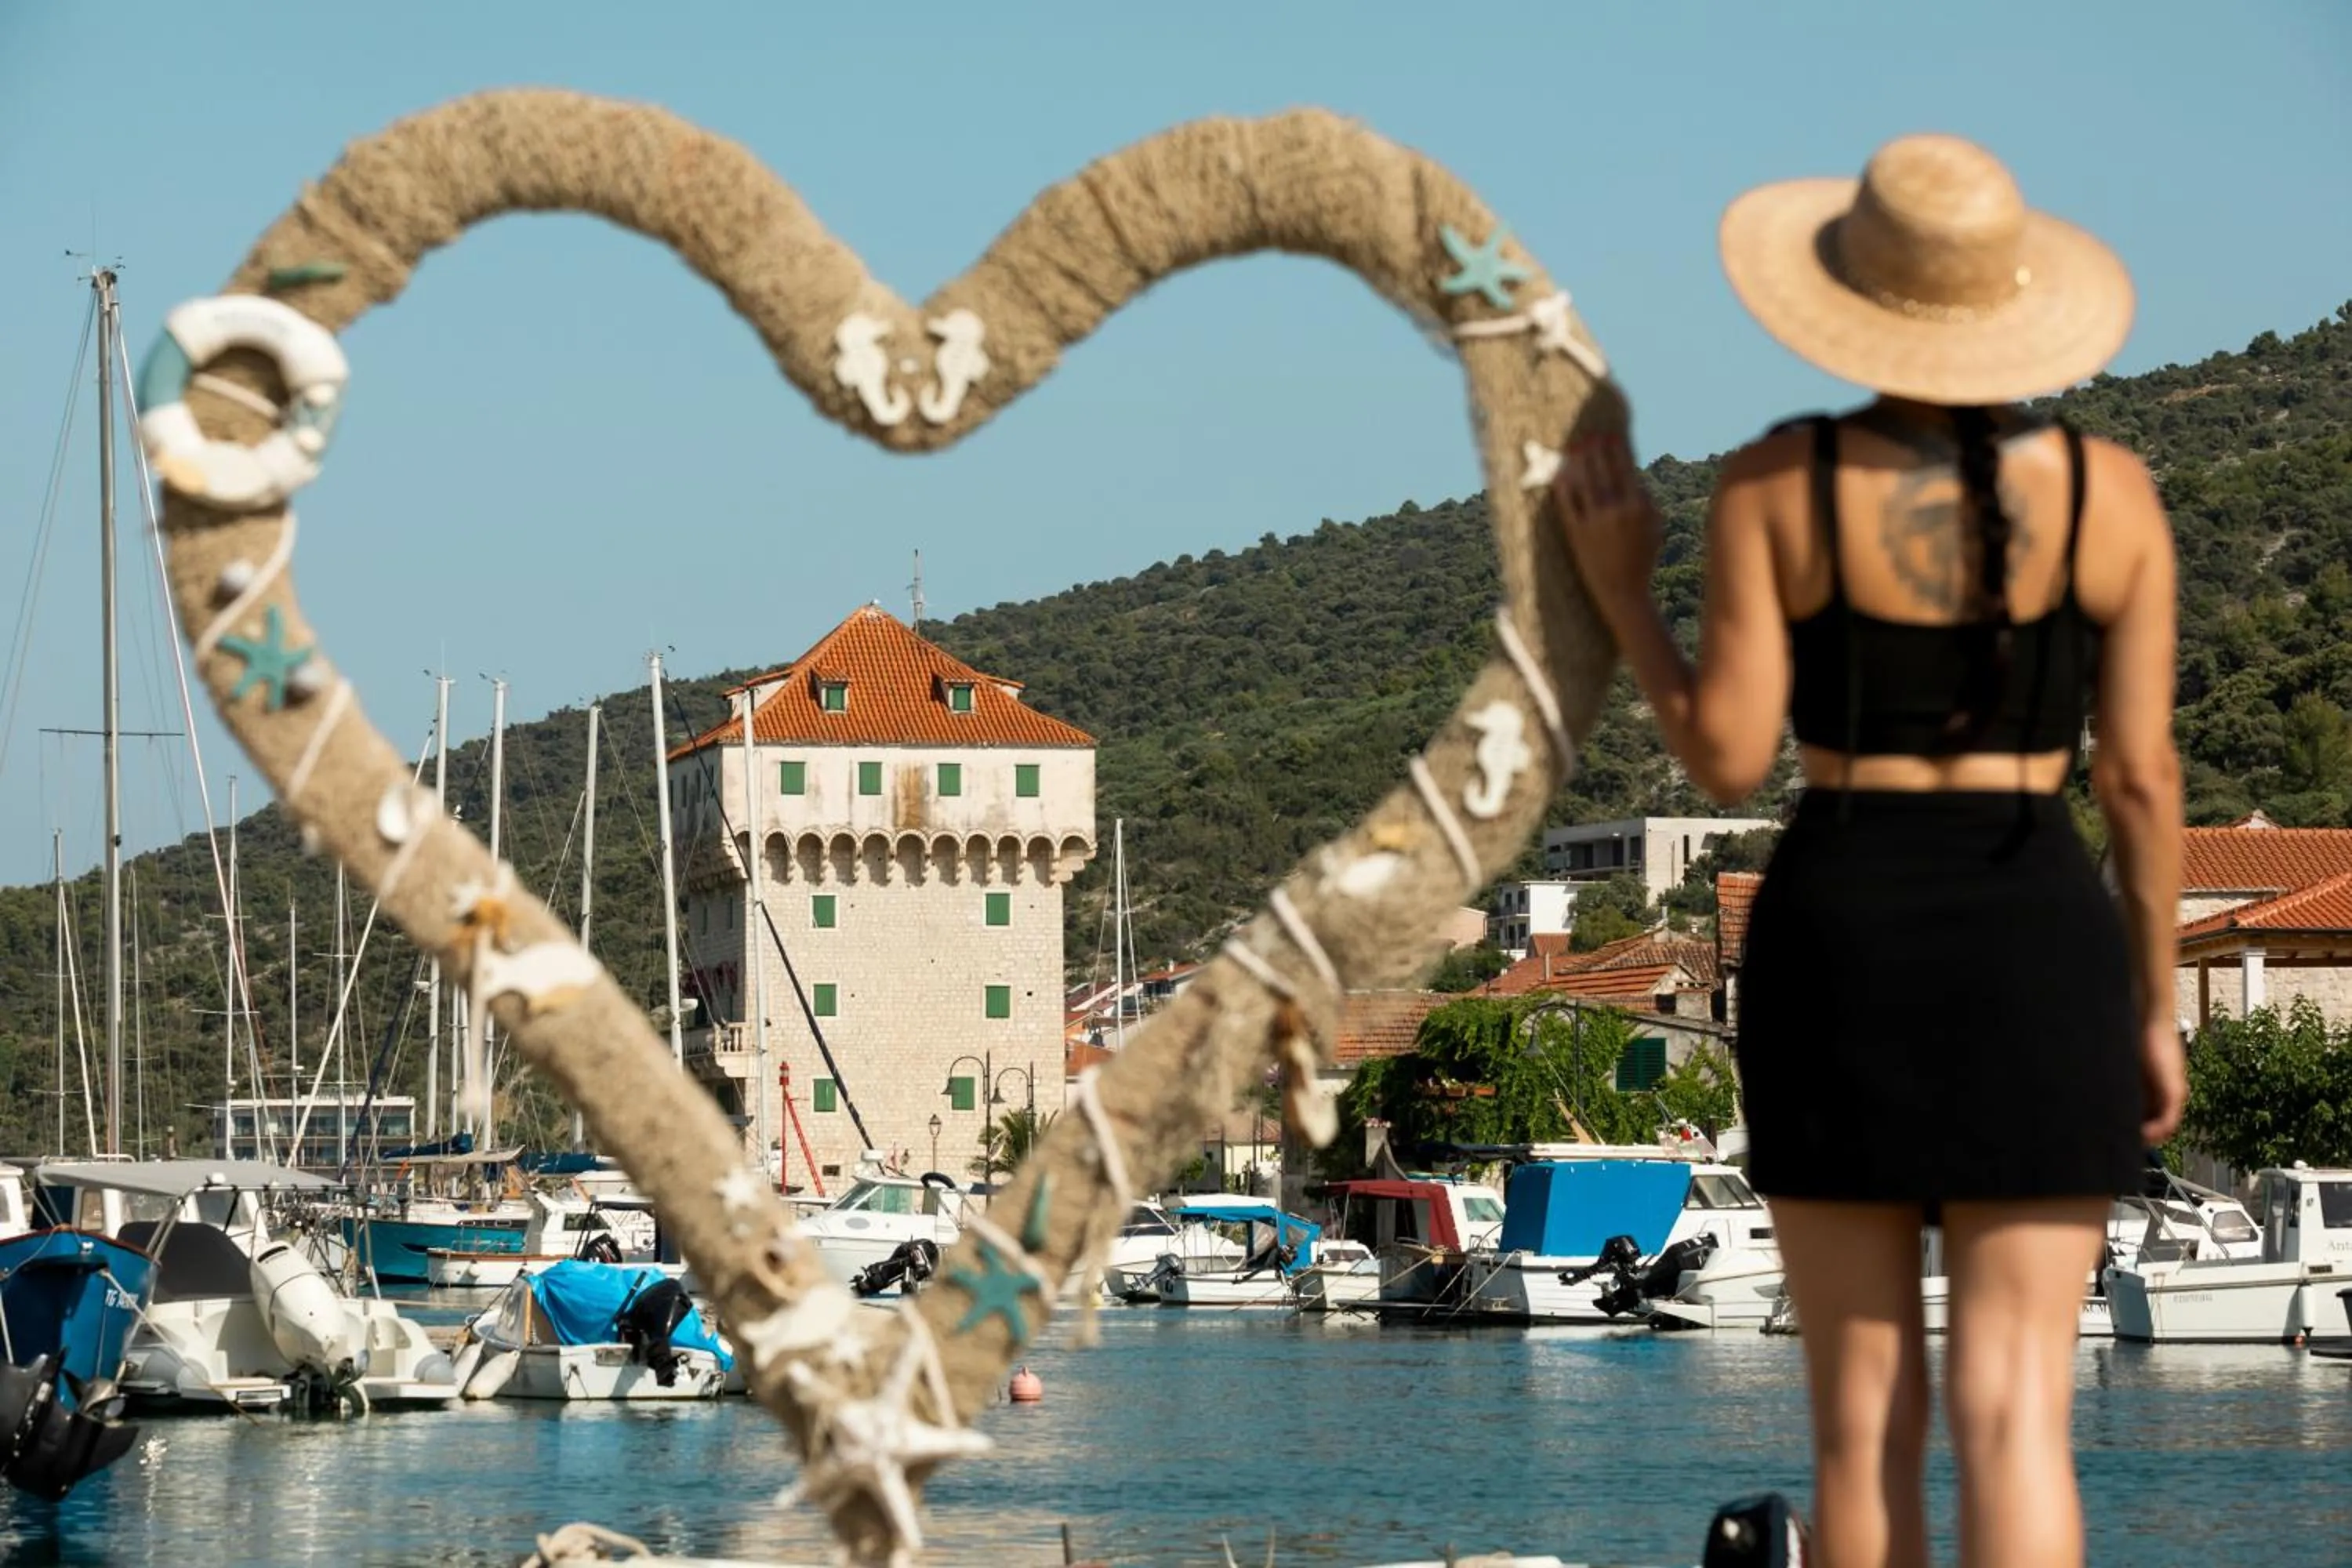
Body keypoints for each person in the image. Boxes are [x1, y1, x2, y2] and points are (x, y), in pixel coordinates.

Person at [1554, 134, 2187, 1568]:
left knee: (1862, 1418)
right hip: (2038, 919)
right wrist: (2153, 1006)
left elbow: (1721, 756)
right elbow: (2143, 782)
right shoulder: (2113, 498)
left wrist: (1619, 594)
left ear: (1857, 296)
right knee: (2019, 1409)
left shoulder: (1782, 481)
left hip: (1842, 919)